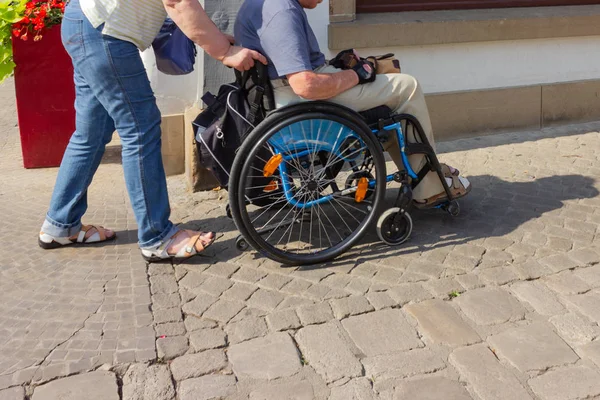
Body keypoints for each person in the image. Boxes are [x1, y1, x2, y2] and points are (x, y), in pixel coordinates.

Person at [38, 0, 267, 262]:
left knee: (91, 134)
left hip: (86, 24)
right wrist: (225, 51)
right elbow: (178, 2)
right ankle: (157, 237)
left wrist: (215, 37)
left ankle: (60, 224)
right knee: (139, 129)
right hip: (106, 33)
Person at [234, 0, 471, 207]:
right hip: (303, 102)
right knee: (406, 87)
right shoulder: (282, 10)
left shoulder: (260, 4)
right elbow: (305, 85)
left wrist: (338, 66)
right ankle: (429, 187)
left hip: (287, 97)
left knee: (387, 90)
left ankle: (422, 173)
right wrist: (357, 75)